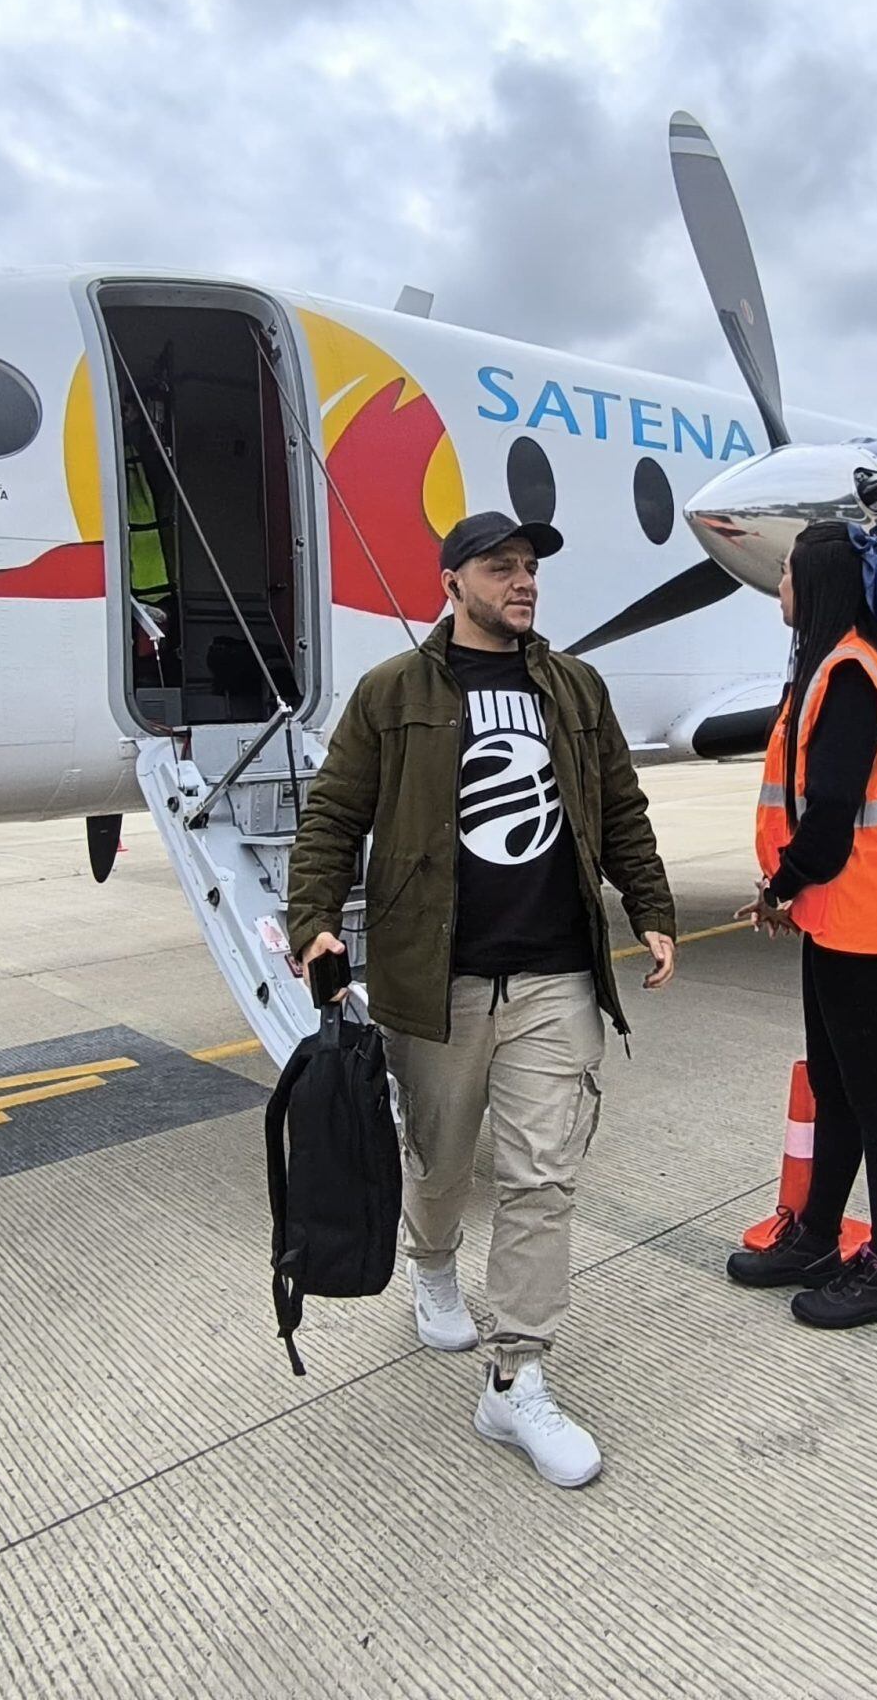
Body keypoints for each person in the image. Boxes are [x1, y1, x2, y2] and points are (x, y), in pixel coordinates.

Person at [286, 511, 678, 1488]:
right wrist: (312, 923)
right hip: (439, 978)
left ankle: (515, 1380)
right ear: (453, 580)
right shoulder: (394, 693)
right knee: (441, 1160)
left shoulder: (574, 687)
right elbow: (333, 812)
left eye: (530, 567)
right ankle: (430, 1265)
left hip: (556, 976)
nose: (524, 582)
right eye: (500, 567)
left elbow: (620, 804)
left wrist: (652, 906)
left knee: (543, 1179)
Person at [724, 520, 877, 1328]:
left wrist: (779, 885)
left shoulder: (848, 676)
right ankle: (817, 1234)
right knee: (840, 1090)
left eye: (784, 573)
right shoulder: (825, 673)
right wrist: (794, 894)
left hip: (869, 926)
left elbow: (833, 823)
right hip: (838, 917)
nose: (776, 585)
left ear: (813, 587)